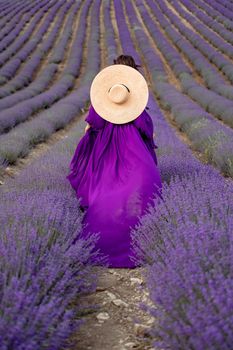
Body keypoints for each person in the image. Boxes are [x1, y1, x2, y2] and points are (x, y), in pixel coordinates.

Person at [66, 55, 162, 268]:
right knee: (143, 185)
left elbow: (94, 122)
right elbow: (146, 129)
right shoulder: (136, 103)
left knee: (105, 186)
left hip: (106, 148)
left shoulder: (103, 99)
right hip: (133, 147)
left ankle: (103, 234)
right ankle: (143, 239)